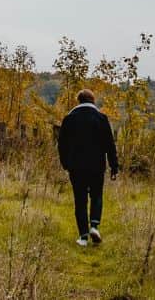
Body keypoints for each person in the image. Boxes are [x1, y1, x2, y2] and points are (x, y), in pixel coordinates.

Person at [57, 88, 119, 246]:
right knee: (96, 195)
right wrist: (114, 166)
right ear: (93, 100)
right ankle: (95, 225)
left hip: (76, 166)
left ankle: (83, 236)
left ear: (78, 100)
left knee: (80, 199)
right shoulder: (101, 118)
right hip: (97, 166)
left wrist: (65, 163)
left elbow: (61, 144)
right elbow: (110, 145)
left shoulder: (69, 119)